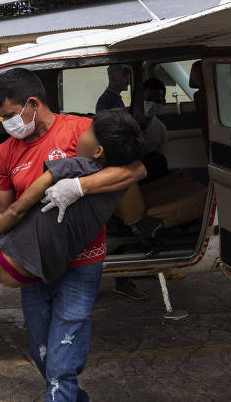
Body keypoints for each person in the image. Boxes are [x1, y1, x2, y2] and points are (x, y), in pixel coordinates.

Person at [0, 68, 146, 401]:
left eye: (11, 115)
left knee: (62, 359)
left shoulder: (80, 130)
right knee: (43, 353)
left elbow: (136, 169)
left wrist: (79, 186)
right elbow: (5, 210)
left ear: (32, 104)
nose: (7, 124)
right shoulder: (8, 151)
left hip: (80, 264)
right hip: (33, 263)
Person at [0, 109, 144, 361]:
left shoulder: (69, 166)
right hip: (37, 256)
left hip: (17, 262)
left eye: (9, 113)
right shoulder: (113, 182)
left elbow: (15, 210)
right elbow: (136, 169)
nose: (81, 136)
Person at [94, 64, 147, 301]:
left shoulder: (112, 99)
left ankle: (122, 279)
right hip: (117, 167)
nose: (127, 80)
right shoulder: (107, 102)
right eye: (126, 75)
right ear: (115, 76)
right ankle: (120, 280)